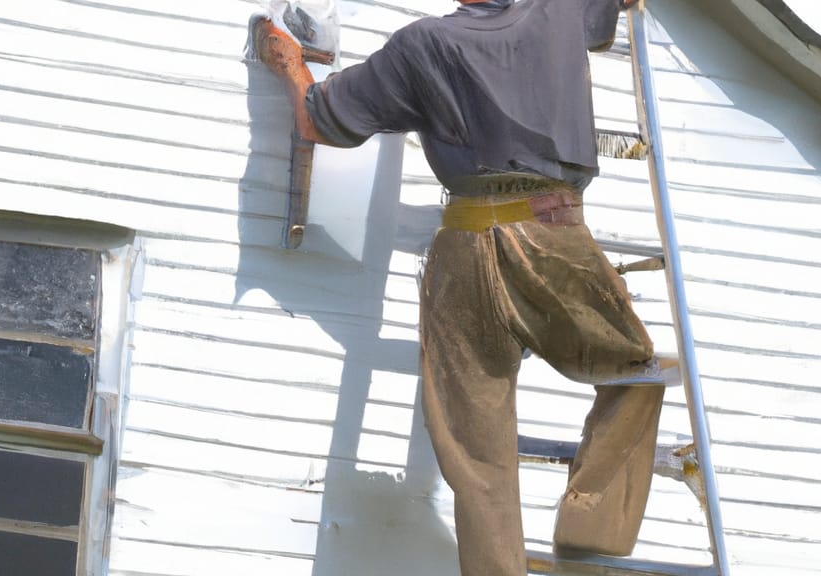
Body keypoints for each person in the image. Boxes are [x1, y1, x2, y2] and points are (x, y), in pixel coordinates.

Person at [254, 1, 666, 574]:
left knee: (478, 451)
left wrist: (291, 63)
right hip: (554, 234)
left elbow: (318, 121)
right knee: (636, 373)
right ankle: (586, 534)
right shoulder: (560, 8)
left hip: (465, 245)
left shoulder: (421, 44)